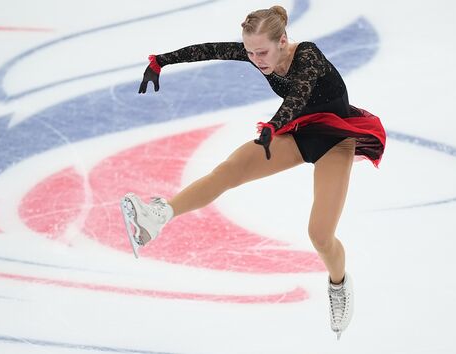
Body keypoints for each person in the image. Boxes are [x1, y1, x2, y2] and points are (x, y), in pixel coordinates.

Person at [120, 5, 386, 339]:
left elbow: (298, 95)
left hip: (334, 138)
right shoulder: (256, 53)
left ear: (283, 40)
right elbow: (211, 50)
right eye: (250, 52)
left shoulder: (309, 56)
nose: (257, 59)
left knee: (319, 235)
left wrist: (273, 126)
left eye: (262, 52)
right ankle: (157, 217)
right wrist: (160, 61)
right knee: (229, 171)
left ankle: (338, 284)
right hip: (297, 132)